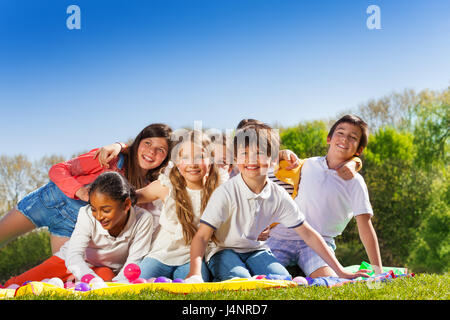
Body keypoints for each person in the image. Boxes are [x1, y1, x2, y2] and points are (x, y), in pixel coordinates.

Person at [187, 123, 369, 282]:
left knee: (282, 280)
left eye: (259, 153)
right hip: (223, 250)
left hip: (256, 250)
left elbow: (308, 234)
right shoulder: (225, 192)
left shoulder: (277, 195)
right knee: (241, 280)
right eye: (244, 154)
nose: (251, 160)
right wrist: (194, 275)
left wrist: (340, 271)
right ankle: (220, 273)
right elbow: (202, 236)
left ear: (274, 160)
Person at [0, 124, 171, 254]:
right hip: (45, 203)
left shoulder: (149, 187)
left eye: (160, 150)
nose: (151, 151)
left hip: (70, 226)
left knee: (64, 278)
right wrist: (80, 191)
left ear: (165, 157)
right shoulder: (110, 158)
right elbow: (57, 169)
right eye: (147, 143)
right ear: (138, 143)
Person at [267, 114, 383, 278]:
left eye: (353, 137)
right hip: (281, 237)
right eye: (340, 133)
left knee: (330, 281)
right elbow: (265, 166)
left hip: (320, 244)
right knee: (261, 278)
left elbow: (365, 226)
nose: (344, 139)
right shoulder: (306, 164)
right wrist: (282, 153)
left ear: (359, 149)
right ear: (329, 138)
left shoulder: (355, 182)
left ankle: (302, 275)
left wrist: (378, 270)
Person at [3, 171, 153, 286]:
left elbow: (134, 261)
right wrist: (89, 278)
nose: (99, 216)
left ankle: (75, 284)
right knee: (17, 285)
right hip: (68, 262)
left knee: (106, 278)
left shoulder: (143, 219)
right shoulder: (86, 214)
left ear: (126, 205)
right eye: (94, 209)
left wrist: (117, 286)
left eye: (106, 210)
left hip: (104, 269)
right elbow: (74, 257)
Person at [135, 130, 225, 281]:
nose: (192, 163)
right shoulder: (166, 186)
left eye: (200, 156)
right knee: (137, 288)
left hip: (194, 259)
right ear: (176, 162)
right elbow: (127, 198)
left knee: (193, 290)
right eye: (185, 157)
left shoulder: (220, 189)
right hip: (161, 254)